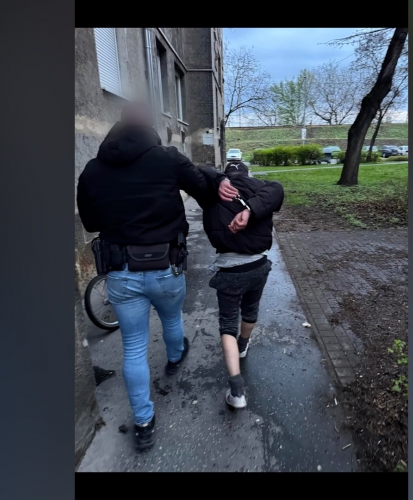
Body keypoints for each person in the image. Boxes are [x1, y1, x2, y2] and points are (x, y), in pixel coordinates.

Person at [76, 102, 238, 451]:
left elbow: (90, 222)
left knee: (133, 347)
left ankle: (143, 421)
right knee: (171, 318)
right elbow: (204, 191)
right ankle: (176, 356)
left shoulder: (92, 169)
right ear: (150, 126)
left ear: (119, 125)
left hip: (120, 272)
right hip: (166, 265)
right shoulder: (167, 159)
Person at [195, 161, 284, 408]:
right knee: (250, 309)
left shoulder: (213, 194)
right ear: (246, 174)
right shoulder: (261, 189)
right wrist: (251, 209)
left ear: (225, 174)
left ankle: (236, 392)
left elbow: (198, 169)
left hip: (230, 270)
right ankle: (243, 344)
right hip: (259, 266)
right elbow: (277, 188)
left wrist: (218, 180)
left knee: (227, 324)